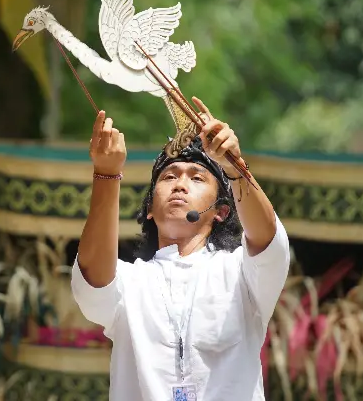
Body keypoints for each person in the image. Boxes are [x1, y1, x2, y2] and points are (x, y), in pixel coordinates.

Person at [71, 97, 290, 401]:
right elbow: (92, 283)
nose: (180, 185)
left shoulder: (240, 274)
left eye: (197, 178)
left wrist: (235, 167)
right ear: (149, 209)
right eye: (169, 177)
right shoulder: (131, 282)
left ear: (221, 211)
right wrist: (106, 175)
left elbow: (270, 243)